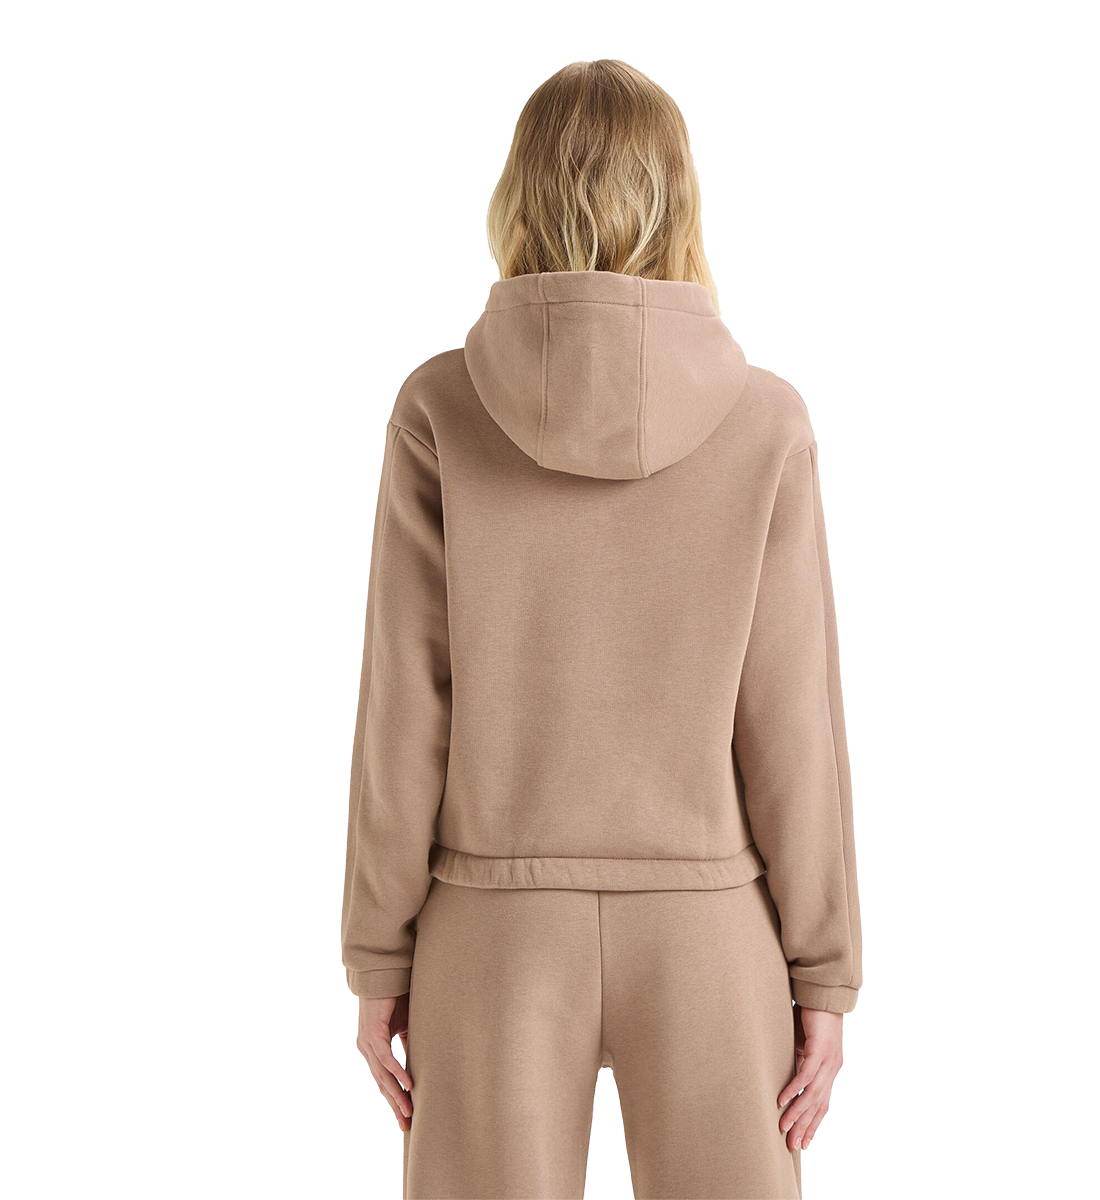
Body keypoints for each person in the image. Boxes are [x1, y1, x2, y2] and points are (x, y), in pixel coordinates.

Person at [342, 58, 861, 1199]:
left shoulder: (439, 409)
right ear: (679, 200)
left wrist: (378, 952)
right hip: (711, 926)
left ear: (518, 196)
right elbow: (792, 723)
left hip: (491, 924)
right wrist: (824, 973)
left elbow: (404, 710)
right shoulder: (766, 422)